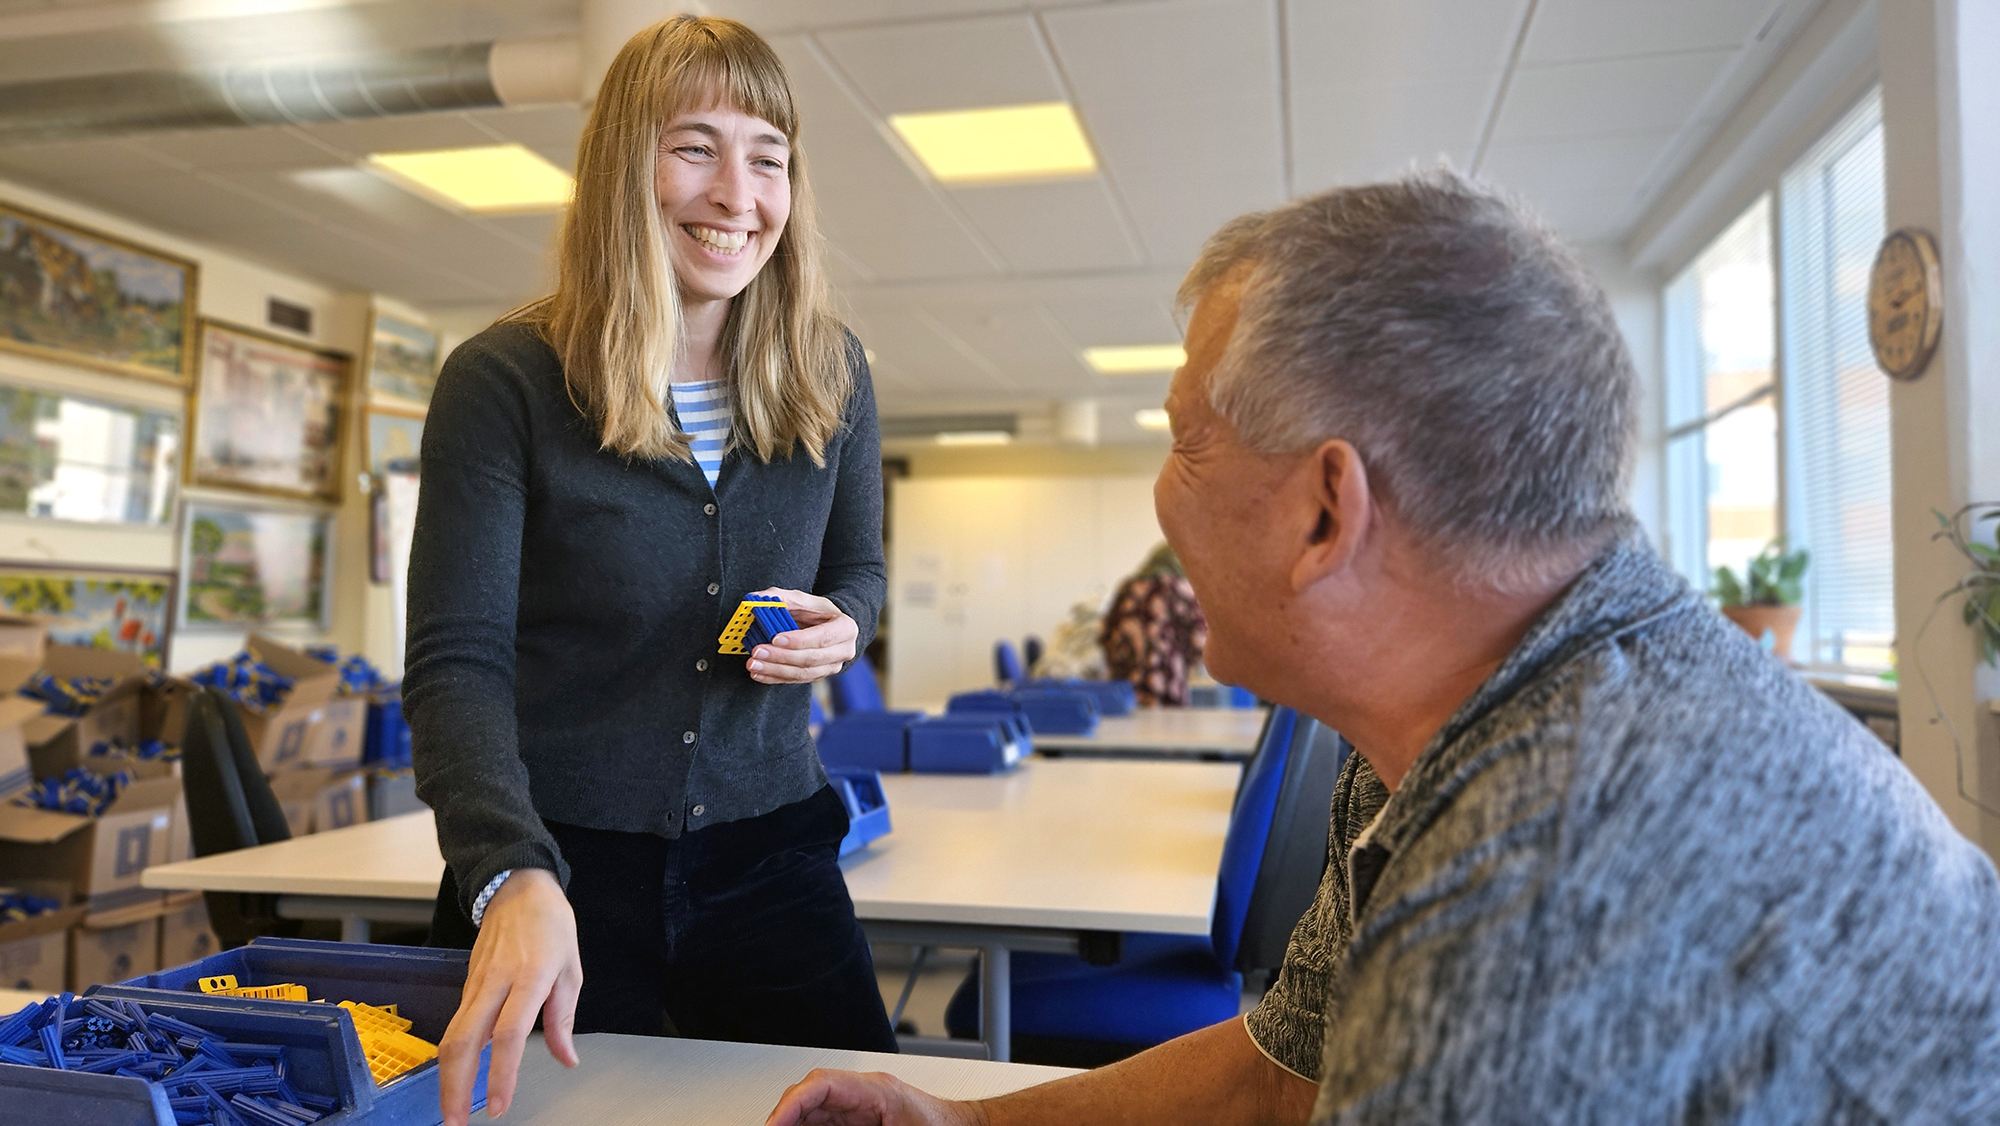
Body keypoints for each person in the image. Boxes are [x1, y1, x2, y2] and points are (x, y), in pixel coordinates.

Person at [763, 171, 2000, 1125]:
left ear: (1323, 512)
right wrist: (970, 1119)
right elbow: (1283, 1066)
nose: (1162, 493)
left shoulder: (1534, 884)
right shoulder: (1469, 694)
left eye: (1186, 438)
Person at [404, 16, 895, 1126]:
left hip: (774, 849)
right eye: (695, 147)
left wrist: (847, 623)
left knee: (863, 1110)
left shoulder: (832, 370)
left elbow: (858, 566)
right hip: (560, 859)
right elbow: (456, 663)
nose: (737, 192)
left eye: (767, 156)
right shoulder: (507, 382)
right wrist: (506, 872)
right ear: (625, 165)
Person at [1098, 543, 1207, 705]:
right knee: (1168, 729)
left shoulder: (1127, 588)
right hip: (1168, 683)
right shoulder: (1181, 590)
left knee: (1127, 729)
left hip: (1124, 688)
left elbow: (1105, 633)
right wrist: (1183, 662)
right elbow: (1200, 641)